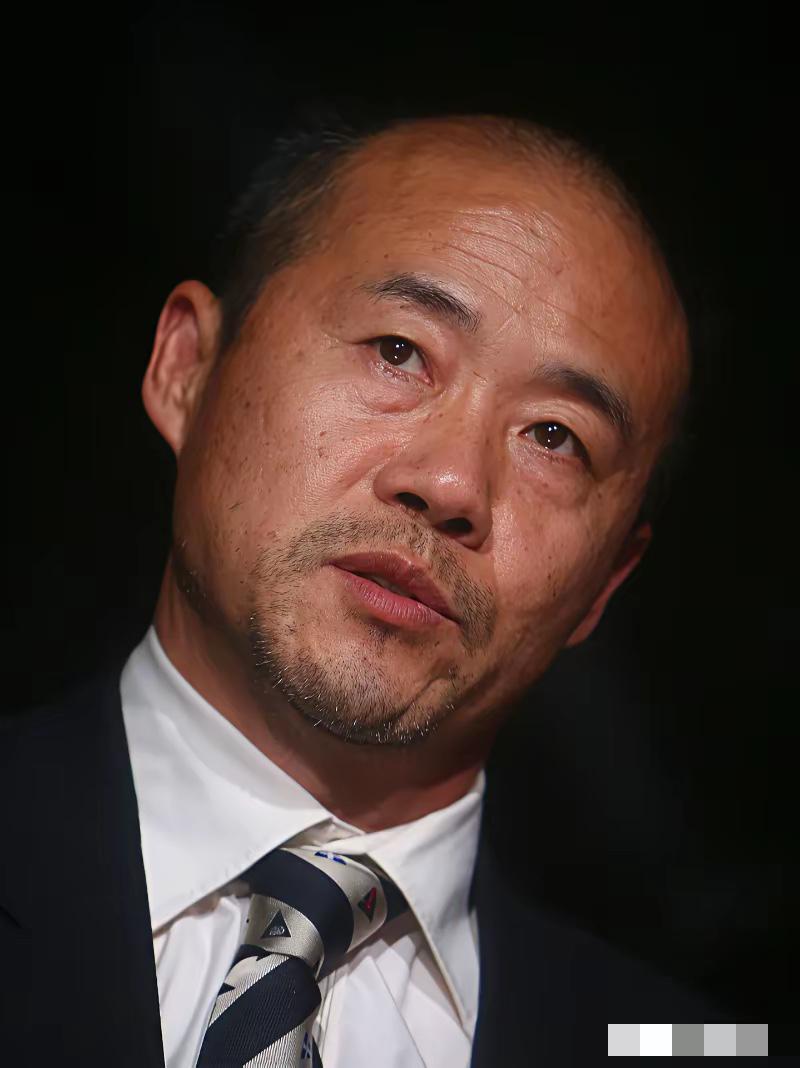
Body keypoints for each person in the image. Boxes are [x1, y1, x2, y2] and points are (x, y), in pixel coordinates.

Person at [1, 113, 722, 1067]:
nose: (453, 483)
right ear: (187, 369)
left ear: (608, 581)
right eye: (398, 350)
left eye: (554, 437)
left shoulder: (690, 1047)